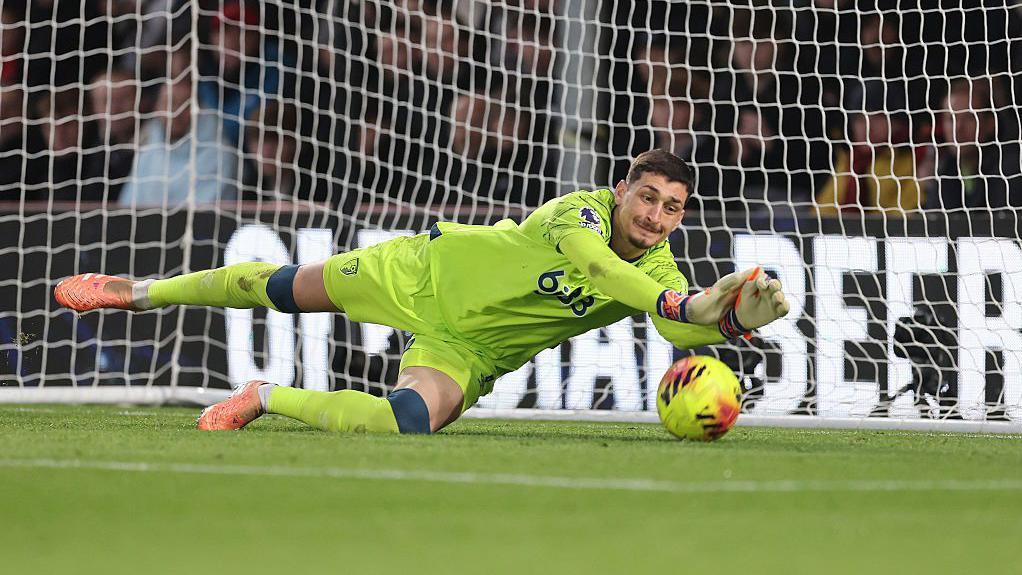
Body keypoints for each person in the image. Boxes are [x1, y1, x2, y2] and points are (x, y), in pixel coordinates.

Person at [53, 150, 790, 435]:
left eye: (670, 209)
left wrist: (721, 318)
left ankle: (265, 397)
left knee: (405, 422)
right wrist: (682, 304)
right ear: (623, 187)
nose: (654, 216)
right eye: (647, 197)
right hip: (422, 273)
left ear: (680, 217)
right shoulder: (581, 213)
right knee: (282, 287)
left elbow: (676, 327)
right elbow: (603, 273)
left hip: (470, 350)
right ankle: (140, 291)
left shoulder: (662, 269)